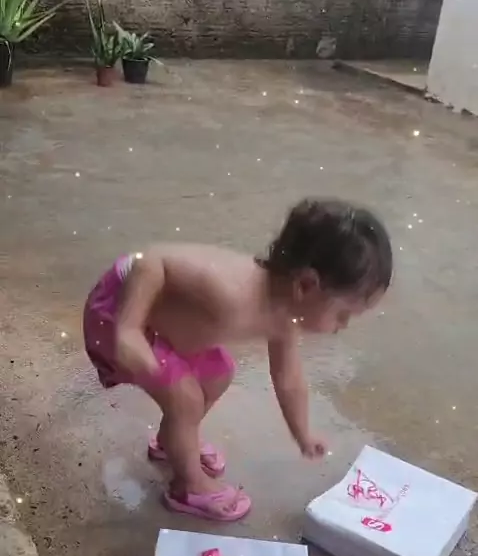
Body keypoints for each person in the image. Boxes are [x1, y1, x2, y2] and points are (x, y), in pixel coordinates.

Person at [83, 198, 392, 522]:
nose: (343, 327)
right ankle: (189, 486)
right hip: (118, 315)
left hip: (164, 331)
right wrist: (129, 328)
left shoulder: (286, 316)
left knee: (219, 373)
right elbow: (149, 262)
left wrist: (302, 433)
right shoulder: (230, 292)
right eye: (343, 314)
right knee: (186, 400)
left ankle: (172, 441)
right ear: (306, 285)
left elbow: (288, 379)